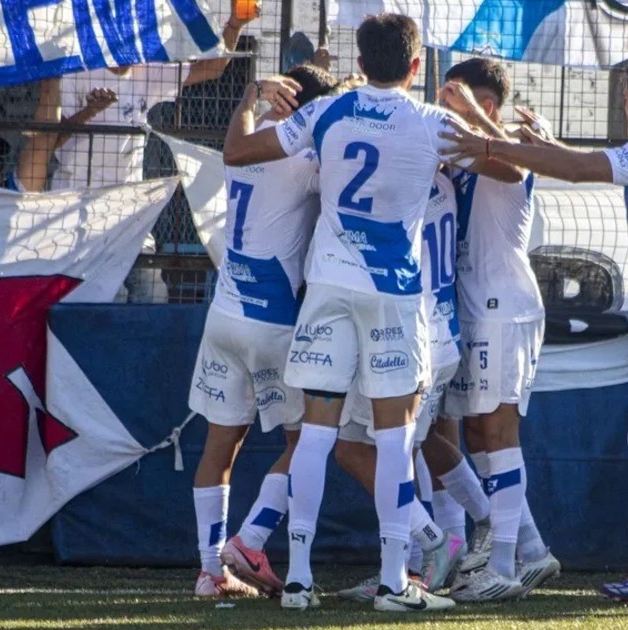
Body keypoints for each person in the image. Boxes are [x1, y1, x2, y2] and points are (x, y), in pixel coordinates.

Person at [222, 12, 522, 613]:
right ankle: (393, 581)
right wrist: (474, 116)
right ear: (416, 65)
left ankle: (299, 581)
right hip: (393, 295)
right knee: (394, 439)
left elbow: (237, 151)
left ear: (359, 63)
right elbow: (511, 169)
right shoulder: (433, 121)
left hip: (328, 285)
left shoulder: (326, 110)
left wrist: (252, 96)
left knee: (315, 435)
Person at [439, 54, 628, 613]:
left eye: (626, 97)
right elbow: (578, 162)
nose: (624, 107)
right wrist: (540, 145)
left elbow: (580, 168)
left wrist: (491, 140)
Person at [191, 65, 341, 598]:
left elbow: (237, 143)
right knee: (308, 441)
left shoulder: (247, 136)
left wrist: (252, 94)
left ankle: (210, 572)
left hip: (224, 313)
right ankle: (250, 540)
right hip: (272, 320)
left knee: (220, 445)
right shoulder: (306, 157)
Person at [436, 58, 559, 602]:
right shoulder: (465, 147)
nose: (443, 106)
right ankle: (531, 550)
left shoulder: (511, 142)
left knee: (499, 429)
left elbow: (511, 167)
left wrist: (478, 119)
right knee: (479, 433)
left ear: (484, 104)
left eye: (452, 96)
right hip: (471, 307)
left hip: (503, 306)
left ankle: (503, 567)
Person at [51, 9, 254, 302]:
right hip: (78, 212)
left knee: (153, 295)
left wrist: (234, 26)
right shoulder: (77, 72)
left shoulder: (146, 72)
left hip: (128, 212)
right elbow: (51, 140)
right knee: (103, 301)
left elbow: (212, 69)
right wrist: (89, 112)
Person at [331, 171, 467, 601]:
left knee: (357, 449)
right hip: (440, 331)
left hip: (406, 332)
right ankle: (406, 567)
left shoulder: (402, 183)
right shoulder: (444, 183)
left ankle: (432, 542)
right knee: (403, 452)